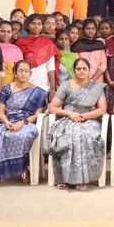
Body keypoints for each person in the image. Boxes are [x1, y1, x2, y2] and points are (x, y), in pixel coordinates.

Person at [0, 61, 48, 184]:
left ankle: (22, 168)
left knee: (23, 135)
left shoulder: (38, 92)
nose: (23, 74)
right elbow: (0, 111)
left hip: (27, 123)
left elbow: (37, 114)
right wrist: (6, 122)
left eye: (26, 71)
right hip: (8, 121)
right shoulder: (7, 88)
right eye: (20, 71)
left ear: (30, 73)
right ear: (15, 73)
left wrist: (23, 123)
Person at [45, 57, 107, 190]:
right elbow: (53, 107)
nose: (81, 71)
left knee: (83, 135)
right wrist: (70, 114)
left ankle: (82, 179)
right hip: (68, 119)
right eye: (78, 69)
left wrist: (84, 116)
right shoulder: (66, 85)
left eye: (84, 68)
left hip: (90, 120)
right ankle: (65, 178)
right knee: (68, 135)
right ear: (74, 71)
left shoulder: (96, 87)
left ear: (89, 70)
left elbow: (102, 109)